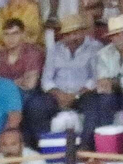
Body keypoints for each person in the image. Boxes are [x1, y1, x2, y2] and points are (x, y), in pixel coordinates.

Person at [25, 14, 107, 146]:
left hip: (84, 94)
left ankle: (85, 148)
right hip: (57, 94)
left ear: (83, 32)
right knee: (35, 106)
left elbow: (95, 78)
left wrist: (75, 95)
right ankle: (46, 146)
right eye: (68, 34)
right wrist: (59, 94)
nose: (72, 37)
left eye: (75, 33)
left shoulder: (95, 48)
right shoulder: (55, 49)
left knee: (94, 107)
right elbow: (46, 79)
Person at [0, 19, 46, 103]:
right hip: (3, 95)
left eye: (15, 33)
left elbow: (30, 84)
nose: (10, 38)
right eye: (6, 34)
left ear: (23, 34)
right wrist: (19, 80)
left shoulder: (32, 53)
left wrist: (5, 84)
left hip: (28, 96)